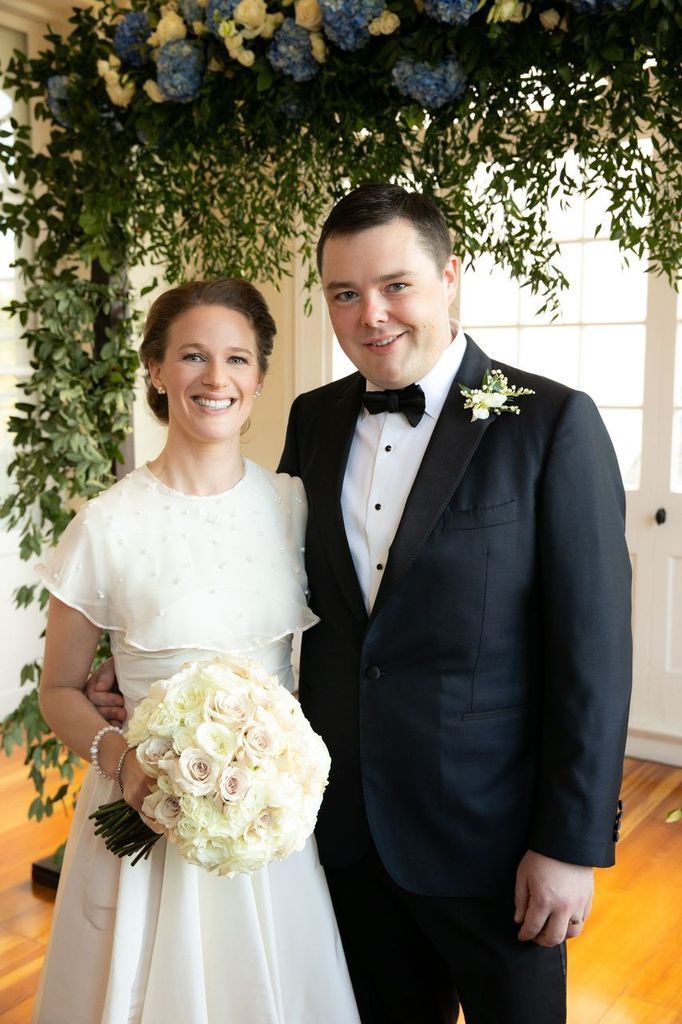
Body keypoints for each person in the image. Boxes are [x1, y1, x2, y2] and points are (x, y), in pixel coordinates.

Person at [91, 185, 632, 1024]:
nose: (371, 314)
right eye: (345, 293)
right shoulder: (315, 419)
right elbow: (261, 576)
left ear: (450, 277)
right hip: (334, 835)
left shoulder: (551, 423)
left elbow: (593, 654)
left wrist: (568, 843)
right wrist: (139, 675)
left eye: (396, 286)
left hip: (493, 847)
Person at [33, 278, 360, 1024]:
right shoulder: (105, 525)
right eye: (192, 356)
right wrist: (127, 762)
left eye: (237, 359)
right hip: (143, 818)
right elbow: (59, 690)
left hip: (272, 819)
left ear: (259, 378)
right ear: (155, 370)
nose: (217, 379)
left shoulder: (294, 506)